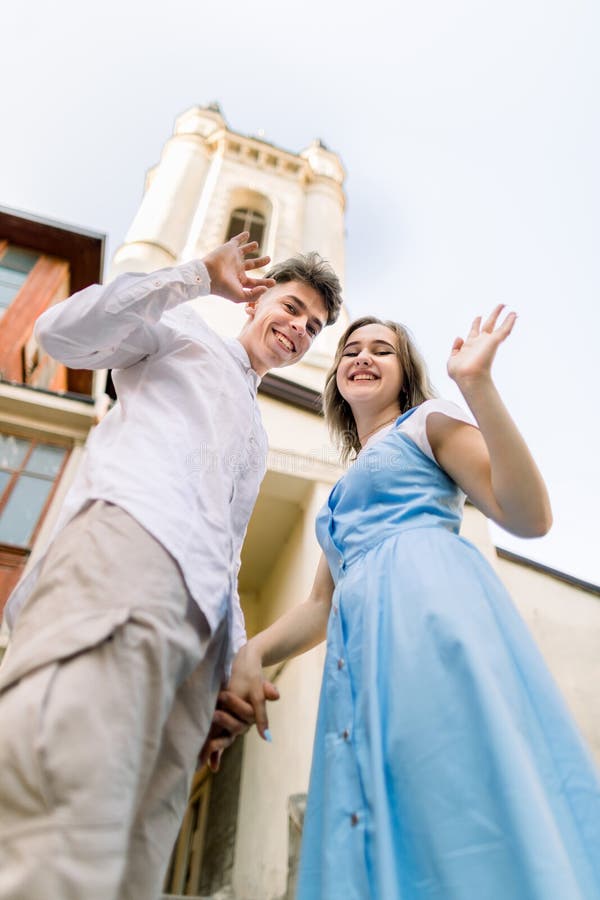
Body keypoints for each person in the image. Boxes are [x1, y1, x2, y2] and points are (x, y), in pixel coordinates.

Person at [0, 232, 343, 900]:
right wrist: (193, 276)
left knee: (136, 850)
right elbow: (62, 333)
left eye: (314, 326)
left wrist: (234, 666)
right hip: (130, 553)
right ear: (254, 299)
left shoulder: (255, 433)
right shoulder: (180, 331)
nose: (300, 328)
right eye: (293, 306)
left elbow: (227, 550)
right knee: (65, 788)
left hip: (198, 641)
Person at [222, 306, 600, 899]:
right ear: (337, 380)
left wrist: (476, 386)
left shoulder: (428, 422)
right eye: (349, 351)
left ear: (405, 373)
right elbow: (322, 603)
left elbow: (529, 515)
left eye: (381, 350)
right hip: (361, 645)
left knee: (447, 777)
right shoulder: (346, 487)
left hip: (428, 613)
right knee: (391, 801)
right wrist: (253, 653)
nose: (361, 357)